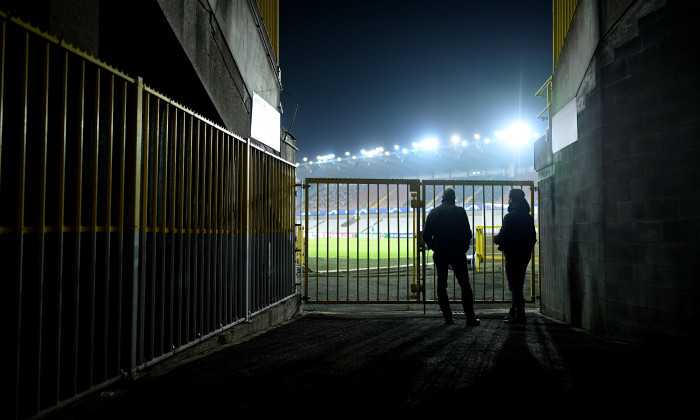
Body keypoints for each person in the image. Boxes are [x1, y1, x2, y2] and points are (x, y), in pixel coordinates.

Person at [422, 188, 480, 326]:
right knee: (465, 285)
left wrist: (435, 246)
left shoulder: (433, 212)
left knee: (441, 285)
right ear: (454, 198)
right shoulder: (460, 212)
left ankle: (448, 318)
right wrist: (463, 248)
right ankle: (470, 318)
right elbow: (468, 233)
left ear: (442, 198)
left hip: (441, 252)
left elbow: (425, 236)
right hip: (457, 252)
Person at [493, 188, 537, 324]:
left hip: (512, 255)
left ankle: (520, 315)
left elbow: (502, 236)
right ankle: (514, 312)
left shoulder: (510, 217)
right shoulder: (528, 217)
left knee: (514, 286)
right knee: (518, 284)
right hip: (524, 255)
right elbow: (533, 237)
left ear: (511, 199)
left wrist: (496, 239)